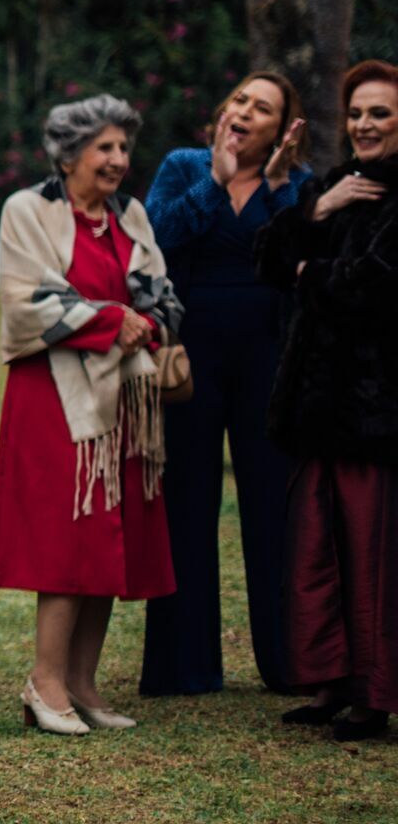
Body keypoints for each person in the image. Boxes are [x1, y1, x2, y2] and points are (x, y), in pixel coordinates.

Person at [0, 95, 183, 735]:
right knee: (66, 539)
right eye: (105, 147)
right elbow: (26, 303)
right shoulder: (28, 210)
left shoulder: (130, 215)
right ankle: (44, 682)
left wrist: (144, 321)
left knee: (110, 534)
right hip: (53, 398)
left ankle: (82, 683)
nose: (119, 159)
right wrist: (112, 319)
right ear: (69, 155)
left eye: (124, 147)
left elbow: (164, 297)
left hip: (122, 399)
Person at [142, 71, 311, 697]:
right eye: (241, 99)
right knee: (186, 502)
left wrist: (277, 190)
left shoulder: (295, 184)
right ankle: (184, 666)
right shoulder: (184, 166)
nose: (245, 111)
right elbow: (153, 240)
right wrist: (213, 184)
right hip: (190, 358)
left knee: (272, 506)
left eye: (262, 108)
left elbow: (300, 258)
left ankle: (287, 662)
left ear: (281, 130)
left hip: (269, 358)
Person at [257, 59, 398, 742]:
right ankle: (328, 682)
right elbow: (268, 259)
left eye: (380, 113)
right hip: (316, 405)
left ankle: (373, 696)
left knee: (371, 557)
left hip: (376, 407)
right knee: (317, 552)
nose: (364, 125)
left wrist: (310, 270)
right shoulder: (336, 185)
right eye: (357, 113)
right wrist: (316, 209)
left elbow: (375, 285)